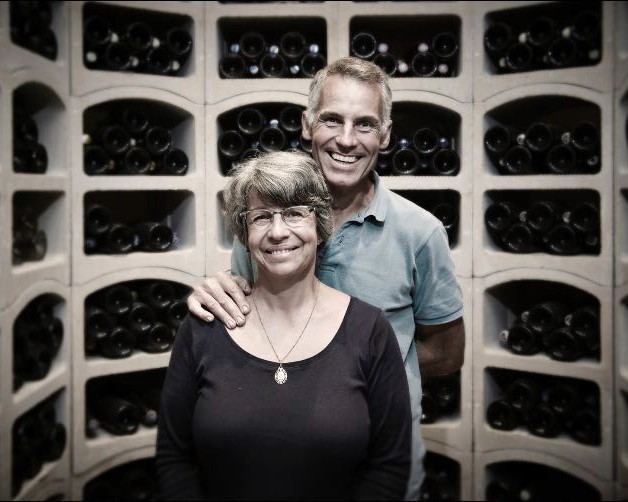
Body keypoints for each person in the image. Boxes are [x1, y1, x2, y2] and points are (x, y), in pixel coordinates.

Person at [186, 57, 465, 499]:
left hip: (383, 461)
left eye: (365, 124)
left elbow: (448, 353)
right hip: (284, 458)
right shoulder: (269, 228)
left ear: (385, 135)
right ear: (307, 125)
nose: (347, 140)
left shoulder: (420, 233)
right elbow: (246, 317)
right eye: (332, 120)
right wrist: (214, 293)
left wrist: (359, 376)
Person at [156, 151, 412, 500]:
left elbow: (389, 467)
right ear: (245, 234)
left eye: (294, 213)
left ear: (319, 226)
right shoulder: (204, 326)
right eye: (261, 217)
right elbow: (174, 458)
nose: (278, 232)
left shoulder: (370, 331)